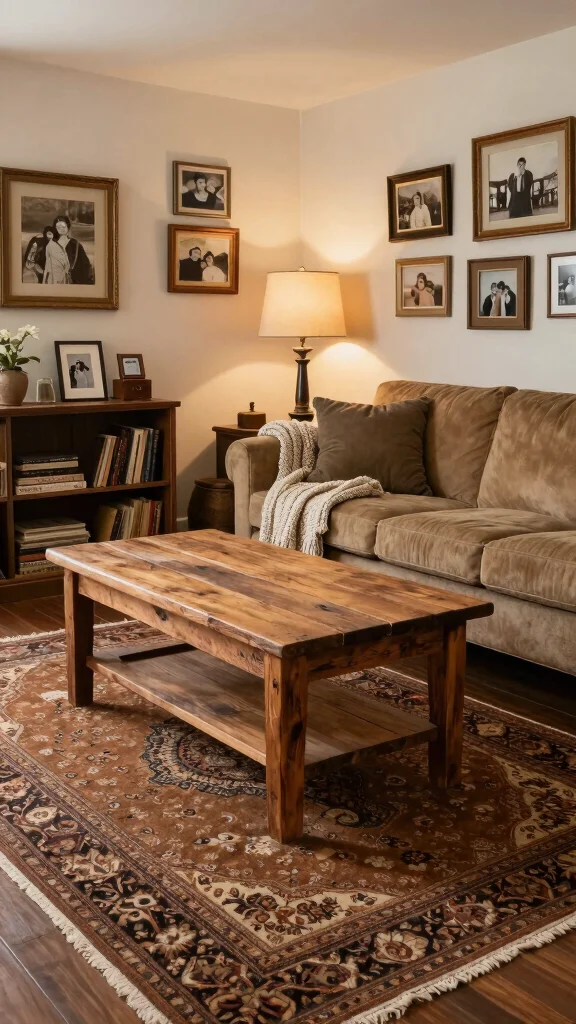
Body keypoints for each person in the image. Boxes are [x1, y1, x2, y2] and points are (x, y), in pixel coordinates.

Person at [52, 216, 93, 284]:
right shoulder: (51, 244)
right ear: (55, 228)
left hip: (74, 279)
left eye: (63, 227)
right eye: (58, 227)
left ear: (68, 227)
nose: (61, 229)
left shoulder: (75, 244)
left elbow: (85, 263)